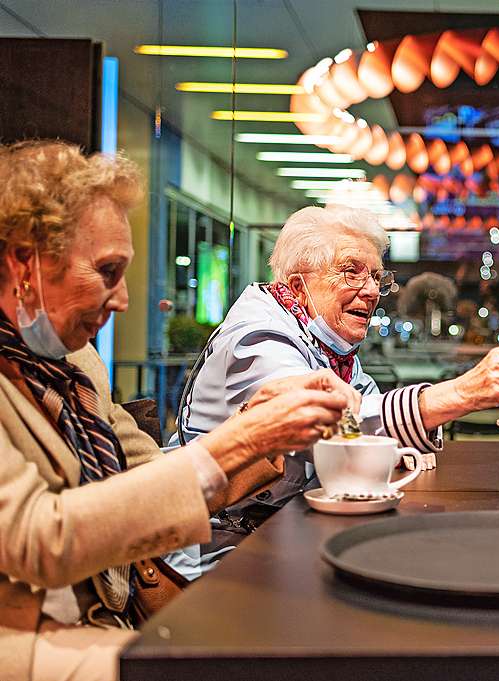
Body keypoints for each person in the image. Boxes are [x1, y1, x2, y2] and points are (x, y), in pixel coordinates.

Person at [0, 141, 359, 681]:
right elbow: (37, 538)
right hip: (35, 640)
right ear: (26, 261)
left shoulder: (75, 362)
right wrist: (240, 440)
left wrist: (252, 436)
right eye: (107, 271)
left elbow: (146, 475)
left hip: (114, 612)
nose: (123, 299)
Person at [173, 206, 499, 574]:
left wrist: (392, 442)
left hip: (283, 536)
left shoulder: (327, 343)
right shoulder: (257, 339)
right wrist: (459, 395)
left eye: (376, 277)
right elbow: (319, 425)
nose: (371, 291)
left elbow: (366, 410)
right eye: (351, 273)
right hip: (217, 558)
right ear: (296, 286)